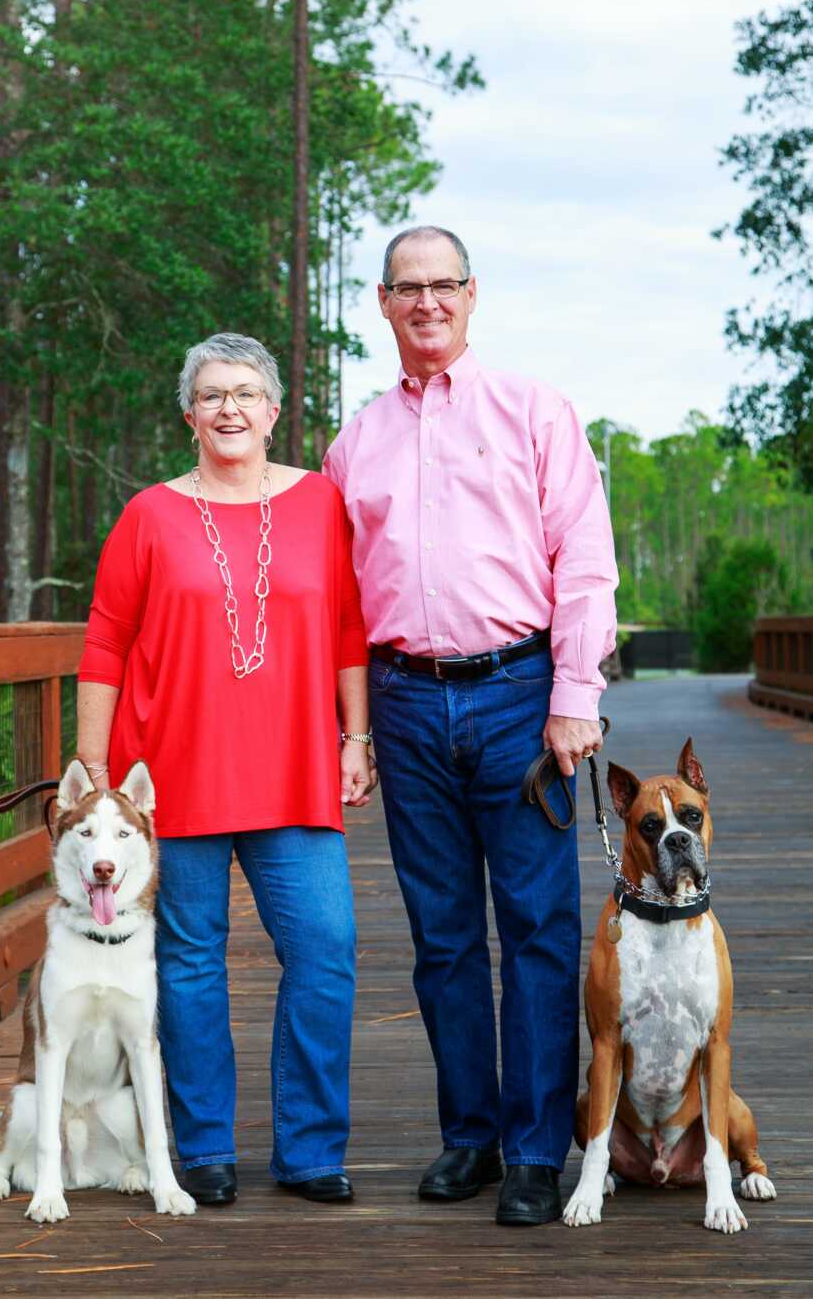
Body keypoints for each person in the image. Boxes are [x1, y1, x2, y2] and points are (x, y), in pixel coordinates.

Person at [323, 227, 618, 1227]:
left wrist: (575, 693)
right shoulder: (352, 444)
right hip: (404, 702)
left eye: (443, 285)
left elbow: (582, 555)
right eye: (408, 289)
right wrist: (351, 728)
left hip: (517, 698)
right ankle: (470, 1138)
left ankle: (538, 1149)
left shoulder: (533, 411)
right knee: (443, 937)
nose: (427, 303)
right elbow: (335, 604)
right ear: (383, 302)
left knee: (539, 929)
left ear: (472, 293)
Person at [77, 332, 376, 1207]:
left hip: (294, 770)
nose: (231, 408)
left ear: (276, 411)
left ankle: (312, 1149)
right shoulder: (150, 515)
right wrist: (96, 764)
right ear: (189, 414)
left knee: (326, 950)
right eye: (212, 394)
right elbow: (105, 637)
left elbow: (351, 628)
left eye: (247, 393)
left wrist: (356, 737)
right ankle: (201, 1146)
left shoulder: (321, 503)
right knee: (189, 961)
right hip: (170, 773)